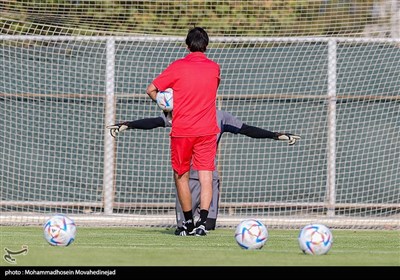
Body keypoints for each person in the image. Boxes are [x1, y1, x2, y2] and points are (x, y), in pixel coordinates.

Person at [107, 110, 301, 235]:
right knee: (185, 229)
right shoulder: (183, 113)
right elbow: (156, 121)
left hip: (209, 177)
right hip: (188, 179)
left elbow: (247, 129)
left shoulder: (221, 117)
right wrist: (129, 124)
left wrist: (275, 135)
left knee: (207, 227)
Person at [145, 27, 220, 236]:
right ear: (206, 45)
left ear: (187, 46)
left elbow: (150, 89)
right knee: (206, 176)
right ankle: (203, 223)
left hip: (183, 130)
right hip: (207, 130)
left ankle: (187, 223)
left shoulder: (178, 66)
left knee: (181, 177)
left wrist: (166, 106)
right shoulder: (214, 68)